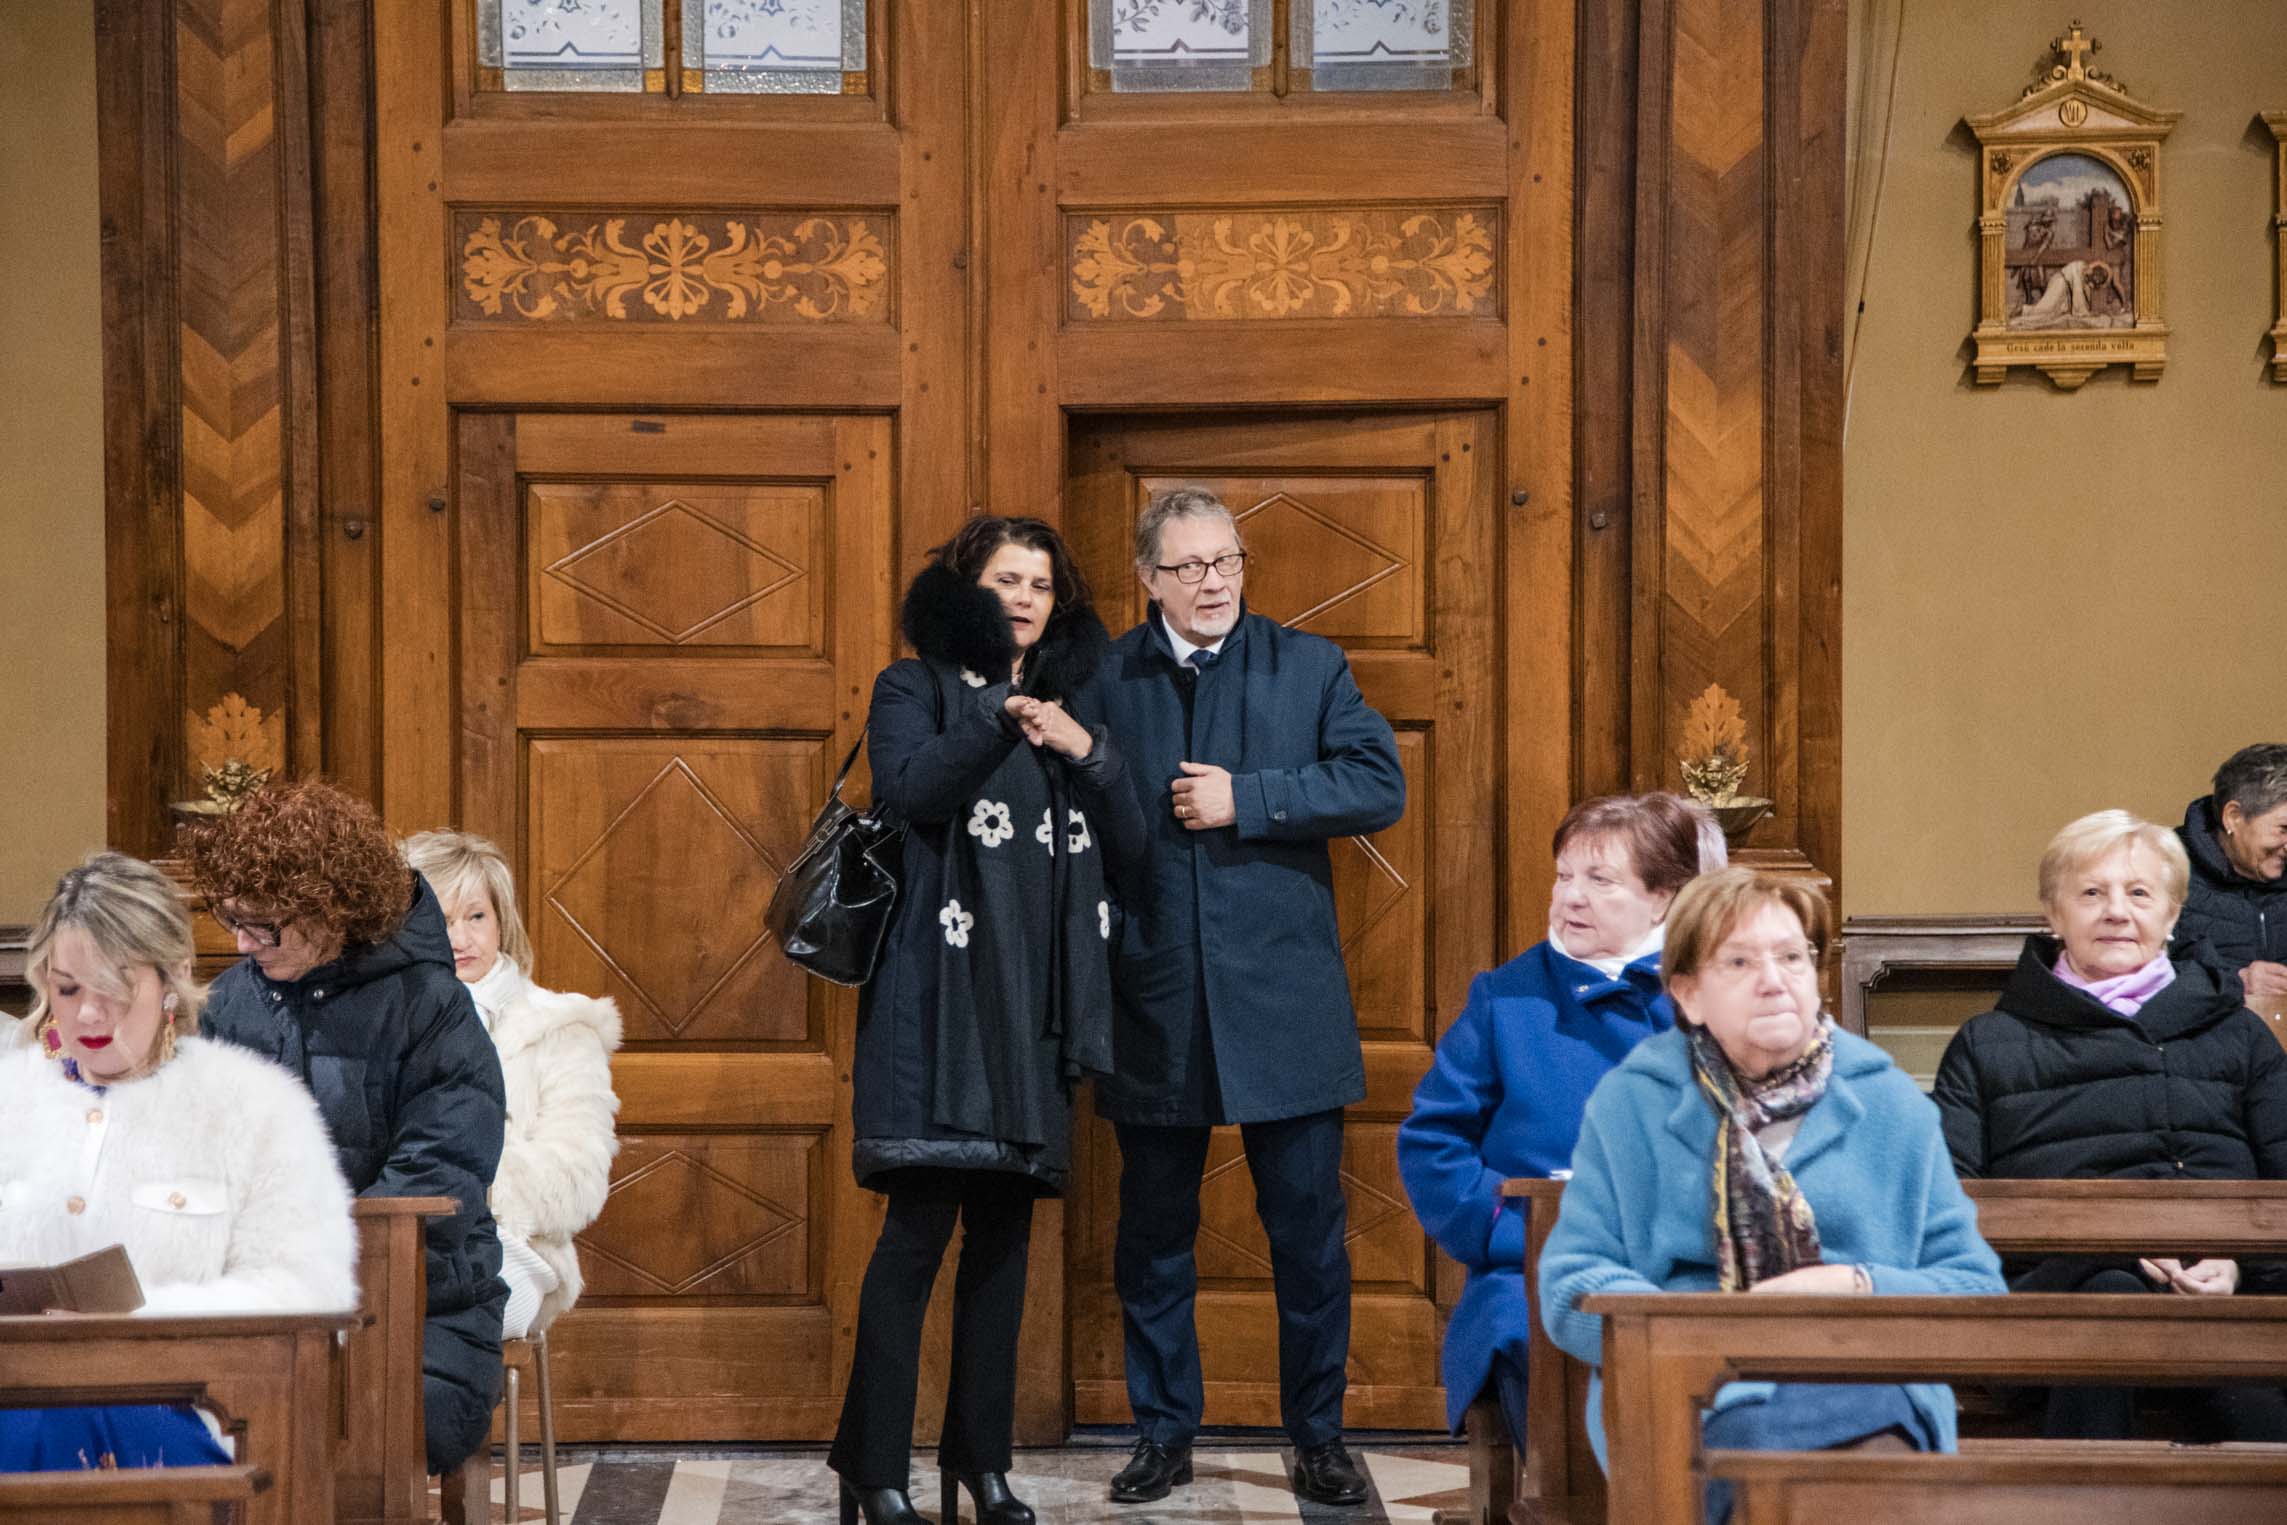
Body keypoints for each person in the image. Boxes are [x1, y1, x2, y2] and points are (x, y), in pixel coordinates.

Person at [1077, 487, 1406, 1508]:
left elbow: (1378, 784)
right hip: (1155, 995)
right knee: (1153, 1238)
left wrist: (1248, 797)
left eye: (1226, 560)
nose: (1212, 582)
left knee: (1307, 1239)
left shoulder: (1308, 666)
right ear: (1148, 579)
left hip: (1284, 1000)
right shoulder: (1104, 677)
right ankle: (1162, 1433)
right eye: (1188, 567)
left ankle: (1319, 1436)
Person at [830, 516, 1144, 1525]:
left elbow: (1133, 841)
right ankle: (873, 1469)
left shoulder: (1071, 710)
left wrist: (1087, 748)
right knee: (915, 1237)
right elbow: (910, 790)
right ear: (968, 586)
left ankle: (982, 1464)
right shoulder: (911, 687)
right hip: (937, 1004)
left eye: (1041, 585)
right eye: (1007, 579)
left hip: (1034, 1009)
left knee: (1004, 1248)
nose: (1024, 598)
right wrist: (999, 716)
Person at [1540, 868, 2004, 1525]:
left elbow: (1976, 1291)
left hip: (1867, 1378)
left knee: (1848, 1471)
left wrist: (1856, 1285)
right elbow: (1571, 1283)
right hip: (1692, 1390)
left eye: (1791, 957)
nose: (1773, 979)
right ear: (1688, 994)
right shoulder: (1634, 1102)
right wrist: (1699, 1331)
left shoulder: (1887, 1101)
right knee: (1754, 1461)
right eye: (1739, 961)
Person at [181, 779, 509, 1478]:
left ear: (328, 908)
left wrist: (311, 1258)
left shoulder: (431, 1006)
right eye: (232, 919)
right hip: (262, 1304)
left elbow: (439, 1176)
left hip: (419, 1308)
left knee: (349, 1421)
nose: (241, 942)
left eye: (262, 925)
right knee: (168, 1415)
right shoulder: (232, 1002)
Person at [1932, 809, 2287, 1441]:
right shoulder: (1988, 1044)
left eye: (2140, 893)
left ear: (2173, 916)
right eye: (2092, 892)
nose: (2117, 912)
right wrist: (2108, 1249)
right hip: (2057, 1304)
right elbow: (1947, 1209)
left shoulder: (2240, 1036)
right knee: (2111, 1297)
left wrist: (2238, 1266)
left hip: (2229, 1307)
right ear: (2053, 914)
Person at [0, 853, 355, 1472]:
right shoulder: (11, 1098)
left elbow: (310, 1292)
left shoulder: (257, 1107)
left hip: (187, 1402)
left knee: (62, 1417)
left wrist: (140, 1321)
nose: (88, 1014)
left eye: (115, 988)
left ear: (174, 978)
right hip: (16, 1389)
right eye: (68, 989)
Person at [1398, 792, 1720, 1451]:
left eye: (1599, 880)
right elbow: (1433, 1142)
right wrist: (1509, 1230)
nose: (1570, 897)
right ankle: (1563, 1492)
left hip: (1691, 1257)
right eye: (1563, 875)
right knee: (1522, 1327)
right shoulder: (1505, 997)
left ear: (1663, 898)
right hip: (1533, 1261)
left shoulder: (1719, 990)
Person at [403, 830, 621, 1340]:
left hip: (517, 1248)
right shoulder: (384, 1018)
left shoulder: (561, 1025)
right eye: (441, 920)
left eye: (476, 917)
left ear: (502, 920)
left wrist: (466, 1187)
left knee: (423, 1323)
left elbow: (579, 1176)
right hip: (399, 1244)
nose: (460, 939)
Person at [2174, 744, 2287, 1023]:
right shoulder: (2163, 871)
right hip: (2207, 1039)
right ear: (2233, 817)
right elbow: (2136, 979)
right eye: (2283, 829)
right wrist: (2235, 981)